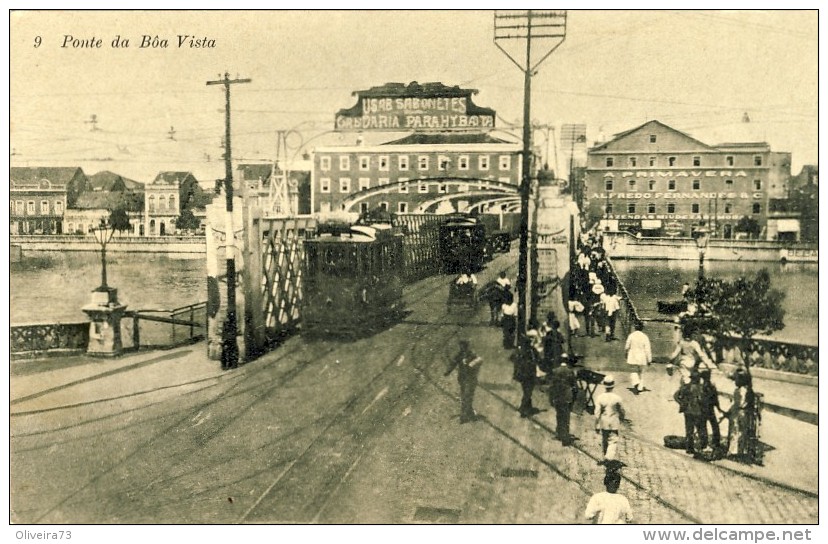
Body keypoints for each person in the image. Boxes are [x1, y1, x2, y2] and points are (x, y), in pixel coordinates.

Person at [444, 339, 484, 424]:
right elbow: (453, 364)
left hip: (469, 379)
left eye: (463, 347)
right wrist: (448, 372)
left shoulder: (470, 355)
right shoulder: (461, 355)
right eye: (461, 347)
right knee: (466, 397)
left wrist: (471, 365)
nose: (462, 348)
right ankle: (465, 415)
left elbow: (480, 360)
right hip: (464, 379)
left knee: (467, 397)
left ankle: (467, 413)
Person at [727, 369, 760, 464]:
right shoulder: (746, 390)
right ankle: (741, 451)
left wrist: (731, 410)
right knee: (742, 432)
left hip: (739, 413)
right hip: (743, 413)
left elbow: (738, 403)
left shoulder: (740, 391)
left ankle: (735, 452)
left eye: (736, 380)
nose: (735, 382)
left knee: (736, 432)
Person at [674, 371, 708, 456]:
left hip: (688, 412)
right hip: (698, 412)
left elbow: (675, 395)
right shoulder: (702, 388)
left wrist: (681, 403)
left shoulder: (686, 387)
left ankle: (689, 448)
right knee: (701, 429)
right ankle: (702, 446)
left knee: (689, 430)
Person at [594, 375, 626, 465]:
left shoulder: (600, 397)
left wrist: (596, 424)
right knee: (613, 440)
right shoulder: (617, 398)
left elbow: (597, 412)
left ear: (604, 385)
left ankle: (606, 457)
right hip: (614, 422)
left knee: (605, 440)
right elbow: (622, 410)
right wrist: (622, 418)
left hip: (604, 422)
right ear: (613, 385)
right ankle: (608, 458)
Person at [549, 355, 578, 445]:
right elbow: (575, 387)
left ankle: (559, 433)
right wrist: (574, 397)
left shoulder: (555, 371)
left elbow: (551, 387)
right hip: (567, 397)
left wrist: (551, 398)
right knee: (566, 417)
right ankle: (565, 436)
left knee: (559, 415)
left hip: (558, 396)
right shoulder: (570, 372)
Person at [511, 337, 541, 418]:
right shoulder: (532, 351)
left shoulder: (520, 351)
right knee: (528, 391)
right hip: (530, 374)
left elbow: (513, 360)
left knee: (526, 390)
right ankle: (523, 408)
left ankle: (528, 406)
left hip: (521, 375)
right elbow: (538, 359)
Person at [699, 369, 723, 453]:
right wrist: (719, 408)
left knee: (703, 426)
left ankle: (704, 444)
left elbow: (700, 399)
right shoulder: (712, 387)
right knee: (714, 425)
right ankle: (716, 443)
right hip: (710, 409)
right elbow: (716, 399)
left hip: (704, 409)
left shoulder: (702, 387)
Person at [625, 321, 652, 394]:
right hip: (642, 356)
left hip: (633, 355)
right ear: (642, 328)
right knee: (642, 372)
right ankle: (640, 386)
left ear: (635, 327)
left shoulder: (631, 335)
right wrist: (649, 359)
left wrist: (626, 353)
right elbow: (647, 349)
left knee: (633, 371)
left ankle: (636, 382)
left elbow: (627, 346)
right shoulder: (644, 337)